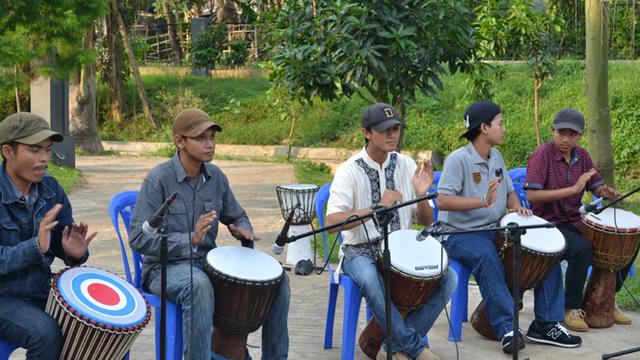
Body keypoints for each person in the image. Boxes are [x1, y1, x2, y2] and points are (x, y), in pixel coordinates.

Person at [129, 108, 290, 360]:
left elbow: (236, 214)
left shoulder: (216, 177)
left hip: (206, 263)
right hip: (164, 269)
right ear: (179, 141)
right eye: (201, 138)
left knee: (278, 281)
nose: (210, 144)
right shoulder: (158, 180)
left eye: (212, 137)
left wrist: (242, 228)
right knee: (199, 286)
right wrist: (187, 240)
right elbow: (138, 239)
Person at [437, 100, 582, 354]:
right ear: (484, 127)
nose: (504, 129)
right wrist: (481, 201)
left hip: (495, 228)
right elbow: (443, 200)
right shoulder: (458, 160)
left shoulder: (496, 157)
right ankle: (508, 328)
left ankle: (546, 323)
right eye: (500, 124)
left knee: (542, 249)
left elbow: (510, 191)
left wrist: (517, 207)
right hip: (461, 234)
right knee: (486, 256)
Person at [326, 103, 457, 360]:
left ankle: (393, 347)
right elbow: (332, 222)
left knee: (448, 277)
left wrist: (421, 195)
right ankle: (414, 348)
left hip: (403, 251)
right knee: (371, 281)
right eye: (385, 130)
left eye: (396, 128)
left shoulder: (406, 164)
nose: (392, 135)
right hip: (359, 250)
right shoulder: (348, 171)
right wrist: (377, 207)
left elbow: (428, 221)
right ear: (367, 132)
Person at [0, 112, 96, 359]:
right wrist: (35, 247)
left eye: (47, 150)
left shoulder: (51, 189)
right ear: (8, 152)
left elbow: (63, 243)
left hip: (40, 288)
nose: (44, 158)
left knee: (101, 325)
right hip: (4, 296)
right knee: (45, 332)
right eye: (34, 150)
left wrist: (74, 253)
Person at [525, 108, 630, 331]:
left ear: (579, 135)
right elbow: (532, 195)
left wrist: (605, 191)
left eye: (572, 134)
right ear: (552, 130)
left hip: (574, 221)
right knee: (581, 249)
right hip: (546, 224)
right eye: (561, 132)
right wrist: (572, 189)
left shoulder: (581, 156)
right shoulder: (541, 155)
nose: (566, 138)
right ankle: (570, 308)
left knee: (621, 239)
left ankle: (605, 301)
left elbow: (595, 184)